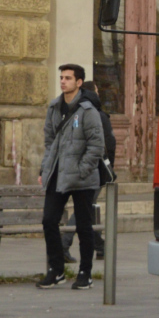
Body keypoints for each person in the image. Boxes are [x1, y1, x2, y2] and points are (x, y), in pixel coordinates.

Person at [36, 64, 104, 289]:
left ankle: (85, 272)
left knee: (84, 226)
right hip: (58, 174)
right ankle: (56, 270)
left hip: (82, 178)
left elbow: (96, 146)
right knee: (49, 220)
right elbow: (49, 143)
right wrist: (44, 169)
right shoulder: (54, 107)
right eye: (61, 77)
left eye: (68, 78)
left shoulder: (88, 111)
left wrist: (83, 169)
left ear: (79, 82)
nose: (63, 81)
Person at [59, 80, 116, 262]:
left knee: (88, 208)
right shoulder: (98, 115)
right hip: (93, 170)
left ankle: (100, 246)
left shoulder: (74, 114)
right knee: (84, 208)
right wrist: (109, 170)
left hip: (75, 168)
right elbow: (108, 145)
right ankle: (63, 244)